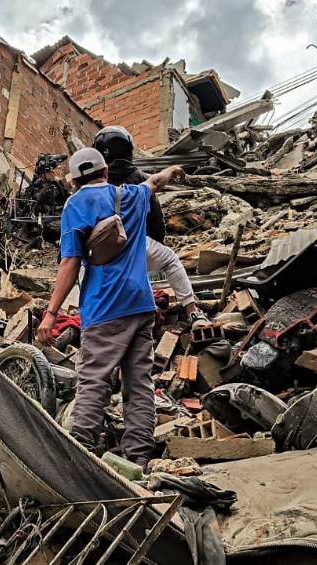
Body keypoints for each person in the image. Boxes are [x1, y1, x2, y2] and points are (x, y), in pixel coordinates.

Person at [37, 147, 184, 465]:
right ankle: (138, 459)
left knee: (93, 379)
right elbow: (154, 183)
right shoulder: (129, 194)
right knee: (139, 382)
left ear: (75, 181)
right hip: (140, 304)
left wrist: (51, 314)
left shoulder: (75, 204)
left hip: (104, 306)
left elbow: (70, 261)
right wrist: (172, 170)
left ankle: (78, 455)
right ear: (106, 171)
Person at [93, 126, 209, 327]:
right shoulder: (139, 178)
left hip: (102, 251)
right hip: (136, 242)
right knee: (170, 260)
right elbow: (155, 217)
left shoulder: (96, 183)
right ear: (128, 149)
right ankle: (192, 310)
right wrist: (157, 241)